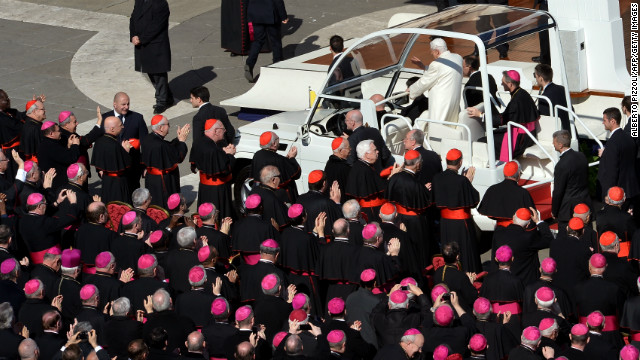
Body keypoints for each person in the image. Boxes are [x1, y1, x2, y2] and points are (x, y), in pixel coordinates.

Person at [467, 70, 539, 161]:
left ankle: (497, 164)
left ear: (510, 84)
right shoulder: (523, 93)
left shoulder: (516, 101)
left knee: (483, 140)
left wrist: (480, 114)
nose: (501, 83)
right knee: (493, 133)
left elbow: (501, 120)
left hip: (520, 139)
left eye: (503, 82)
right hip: (529, 135)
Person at [432, 149, 481, 273]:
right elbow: (474, 200)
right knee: (465, 251)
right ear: (460, 162)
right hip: (461, 224)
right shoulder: (462, 181)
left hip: (445, 223)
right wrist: (468, 182)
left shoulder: (437, 178)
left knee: (448, 250)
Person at [385, 150, 432, 268]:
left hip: (398, 219)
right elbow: (424, 203)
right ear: (417, 164)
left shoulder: (395, 177)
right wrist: (425, 190)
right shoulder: (416, 184)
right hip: (414, 222)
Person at [130, 0, 174, 114]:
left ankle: (162, 101)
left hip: (155, 44)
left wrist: (142, 38)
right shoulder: (140, 1)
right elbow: (133, 18)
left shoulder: (161, 3)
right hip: (142, 43)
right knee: (150, 71)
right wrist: (133, 34)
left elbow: (158, 26)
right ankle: (167, 97)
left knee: (158, 73)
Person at [408, 38, 463, 126]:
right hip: (453, 104)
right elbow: (443, 71)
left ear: (437, 52)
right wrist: (423, 67)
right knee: (451, 125)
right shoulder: (458, 58)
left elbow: (424, 82)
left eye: (432, 51)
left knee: (438, 128)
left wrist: (411, 90)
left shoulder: (436, 64)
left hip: (440, 105)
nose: (431, 53)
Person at [491, 208, 553, 285]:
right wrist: (538, 221)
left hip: (502, 280)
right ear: (527, 225)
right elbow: (549, 240)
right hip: (524, 281)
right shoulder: (529, 238)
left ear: (513, 218)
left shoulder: (498, 234)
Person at [101, 92, 148, 192]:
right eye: (123, 104)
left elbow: (145, 144)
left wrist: (144, 166)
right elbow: (101, 144)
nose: (126, 107)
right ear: (115, 104)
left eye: (128, 104)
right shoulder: (105, 118)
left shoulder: (137, 118)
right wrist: (100, 168)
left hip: (132, 167)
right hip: (112, 167)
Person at [190, 119, 236, 218]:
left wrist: (222, 152)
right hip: (217, 191)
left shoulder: (198, 141)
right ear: (215, 131)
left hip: (204, 187)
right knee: (218, 216)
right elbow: (225, 169)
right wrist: (230, 155)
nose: (225, 131)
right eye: (223, 129)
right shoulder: (213, 150)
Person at [140, 115, 189, 207]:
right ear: (160, 127)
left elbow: (168, 146)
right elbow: (178, 157)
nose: (169, 126)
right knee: (165, 203)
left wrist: (178, 139)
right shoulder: (160, 144)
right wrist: (182, 142)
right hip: (163, 181)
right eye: (168, 124)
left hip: (151, 178)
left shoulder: (148, 138)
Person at [550, 130, 590, 236]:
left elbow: (558, 191)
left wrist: (554, 210)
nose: (553, 144)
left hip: (568, 210)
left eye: (554, 142)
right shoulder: (582, 156)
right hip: (584, 203)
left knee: (567, 240)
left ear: (560, 144)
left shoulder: (561, 165)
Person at [597, 107, 640, 200]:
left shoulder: (613, 143)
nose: (603, 122)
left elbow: (611, 172)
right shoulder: (628, 138)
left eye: (604, 120)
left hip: (618, 194)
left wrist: (608, 195)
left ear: (612, 121)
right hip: (631, 189)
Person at [478, 161, 535, 227]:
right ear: (519, 174)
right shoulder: (523, 192)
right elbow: (532, 215)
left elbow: (483, 211)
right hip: (517, 232)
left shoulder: (492, 189)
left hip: (499, 232)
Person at [91, 116, 133, 204]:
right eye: (120, 125)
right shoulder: (115, 145)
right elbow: (126, 165)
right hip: (118, 183)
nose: (123, 127)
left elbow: (99, 164)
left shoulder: (99, 141)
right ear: (112, 129)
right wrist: (126, 151)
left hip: (106, 181)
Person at [244, 0, 288, 82]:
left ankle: (249, 63)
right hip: (270, 13)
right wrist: (283, 16)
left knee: (257, 41)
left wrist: (248, 15)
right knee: (275, 41)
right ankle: (277, 65)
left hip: (254, 13)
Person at [251, 131, 301, 204]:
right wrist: (292, 158)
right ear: (274, 143)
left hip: (262, 195)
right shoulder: (278, 159)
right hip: (279, 197)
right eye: (278, 139)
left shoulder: (257, 155)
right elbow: (296, 173)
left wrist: (286, 159)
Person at [345, 140, 387, 222]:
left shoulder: (361, 165)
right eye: (375, 150)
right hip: (372, 211)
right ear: (366, 154)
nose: (377, 151)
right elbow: (381, 189)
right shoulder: (364, 170)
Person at [36, 121, 80, 191]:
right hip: (57, 183)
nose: (61, 132)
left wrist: (68, 146)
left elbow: (61, 156)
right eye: (58, 131)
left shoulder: (45, 143)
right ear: (51, 134)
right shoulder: (51, 146)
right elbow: (71, 158)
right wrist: (75, 145)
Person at [534, 64, 570, 131]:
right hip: (568, 129)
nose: (536, 79)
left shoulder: (544, 98)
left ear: (541, 78)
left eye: (535, 76)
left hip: (557, 133)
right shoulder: (562, 89)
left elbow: (545, 120)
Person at [324, 138, 351, 204]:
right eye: (348, 147)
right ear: (341, 150)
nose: (350, 149)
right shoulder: (344, 167)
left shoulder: (329, 162)